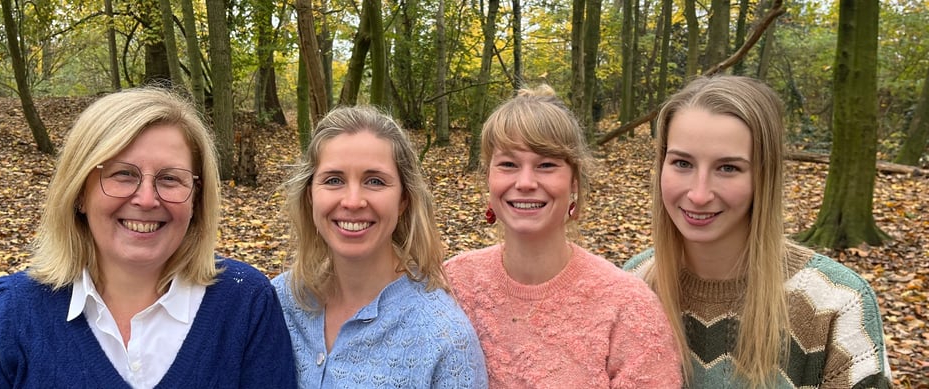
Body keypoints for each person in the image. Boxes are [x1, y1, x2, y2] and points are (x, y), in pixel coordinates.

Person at [0, 87, 296, 388]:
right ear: (78, 192)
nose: (146, 198)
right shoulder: (5, 318)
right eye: (123, 174)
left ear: (197, 199)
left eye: (171, 178)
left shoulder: (244, 303)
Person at [623, 75, 892, 388]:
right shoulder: (635, 284)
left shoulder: (836, 304)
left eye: (728, 168)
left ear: (765, 177)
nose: (699, 194)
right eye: (682, 163)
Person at [444, 85, 682, 388]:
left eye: (546, 165)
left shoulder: (627, 307)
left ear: (574, 181)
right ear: (488, 177)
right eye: (508, 164)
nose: (526, 182)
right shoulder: (451, 285)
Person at [271, 105, 488, 388]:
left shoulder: (443, 339)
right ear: (310, 194)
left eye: (375, 181)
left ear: (403, 199)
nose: (352, 201)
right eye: (334, 180)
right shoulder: (275, 303)